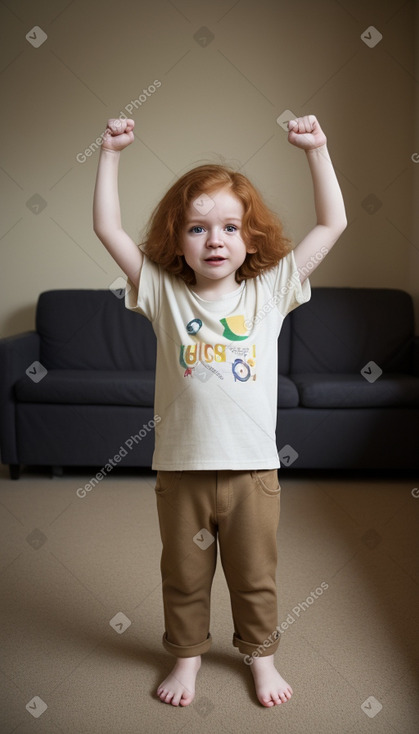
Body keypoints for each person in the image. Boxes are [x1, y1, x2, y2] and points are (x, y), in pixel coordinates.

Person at [93, 114, 347, 708]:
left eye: (230, 227)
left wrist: (319, 150)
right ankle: (186, 658)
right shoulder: (163, 293)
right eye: (197, 228)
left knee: (255, 577)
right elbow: (107, 227)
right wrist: (109, 154)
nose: (215, 240)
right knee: (183, 577)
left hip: (253, 471)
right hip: (181, 471)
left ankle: (261, 658)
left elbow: (333, 222)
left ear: (251, 238)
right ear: (175, 240)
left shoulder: (271, 291)